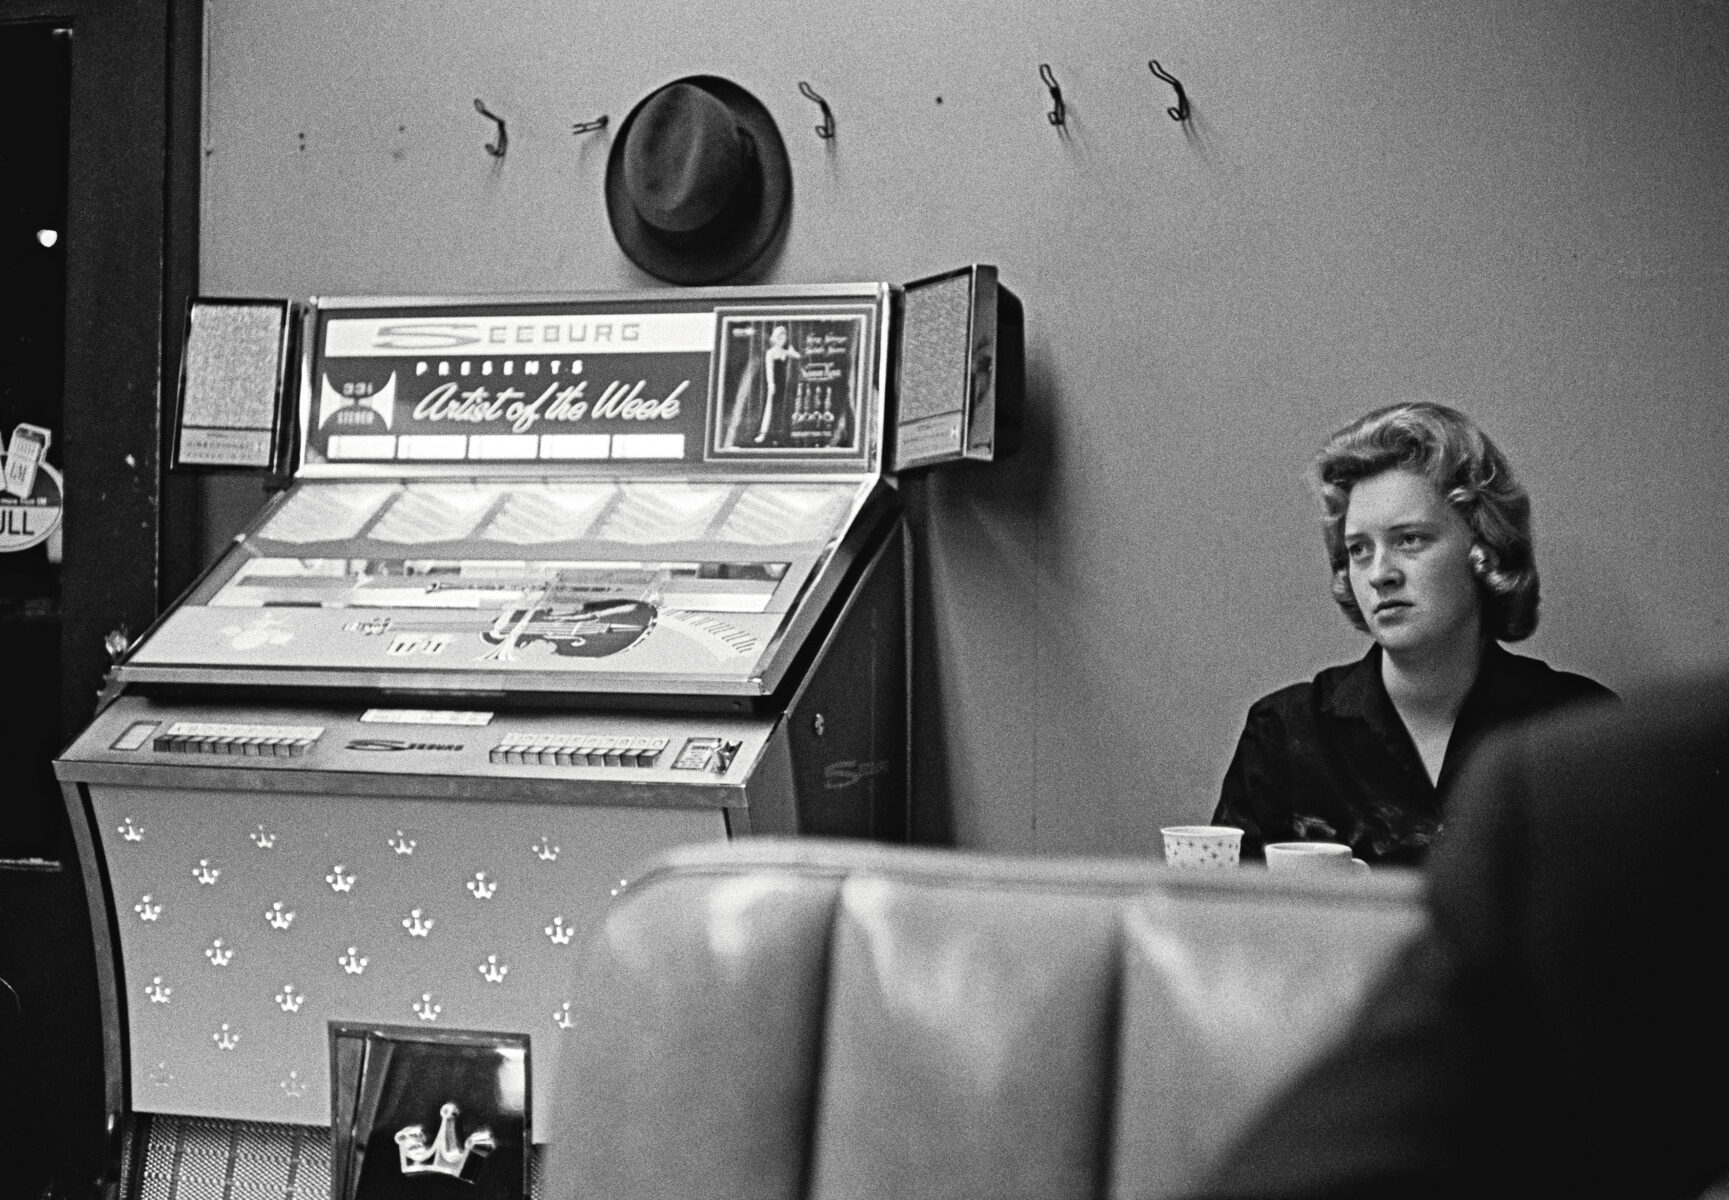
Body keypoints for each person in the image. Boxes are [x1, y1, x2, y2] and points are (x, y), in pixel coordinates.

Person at [1187, 670, 1729, 1199]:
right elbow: (1222, 921)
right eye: (1351, 568)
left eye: (1409, 566)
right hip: (1299, 1033)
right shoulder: (1287, 724)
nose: (1382, 575)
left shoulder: (1575, 738)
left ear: (1487, 572)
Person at [1214, 402, 1613, 865]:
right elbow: (1221, 922)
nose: (1380, 573)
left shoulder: (1580, 730)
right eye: (1359, 550)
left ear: (1483, 548)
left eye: (1409, 539)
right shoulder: (1285, 735)